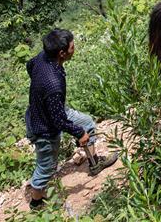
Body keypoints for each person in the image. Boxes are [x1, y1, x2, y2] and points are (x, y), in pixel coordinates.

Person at [25, 28, 117, 209]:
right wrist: (79, 133)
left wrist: (41, 90)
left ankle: (94, 163)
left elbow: (29, 65)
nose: (75, 49)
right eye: (72, 47)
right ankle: (36, 203)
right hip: (44, 127)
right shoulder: (53, 83)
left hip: (50, 111)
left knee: (87, 123)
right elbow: (58, 121)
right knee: (46, 168)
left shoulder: (42, 57)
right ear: (62, 53)